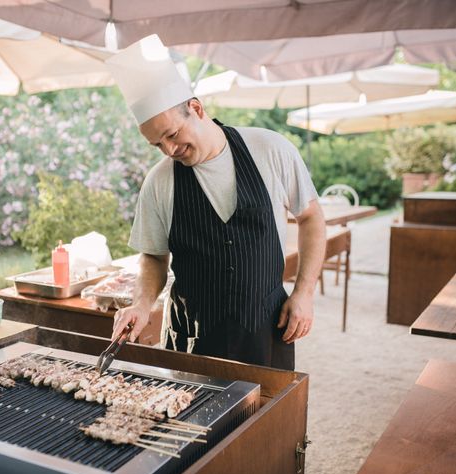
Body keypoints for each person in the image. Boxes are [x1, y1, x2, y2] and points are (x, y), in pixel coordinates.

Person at [106, 35, 326, 370]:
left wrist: (304, 293)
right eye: (157, 144)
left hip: (265, 327)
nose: (169, 150)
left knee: (267, 420)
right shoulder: (159, 181)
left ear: (196, 108)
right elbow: (153, 256)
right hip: (190, 335)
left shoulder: (270, 149)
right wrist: (141, 304)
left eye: (172, 134)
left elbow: (310, 217)